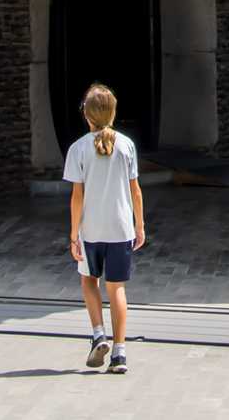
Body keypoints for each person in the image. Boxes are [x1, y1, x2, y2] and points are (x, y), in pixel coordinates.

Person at [67, 84, 145, 376]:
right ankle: (120, 352)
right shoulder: (126, 145)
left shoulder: (78, 149)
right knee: (117, 290)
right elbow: (135, 190)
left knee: (89, 281)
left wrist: (74, 234)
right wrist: (140, 224)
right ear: (113, 112)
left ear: (87, 115)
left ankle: (98, 334)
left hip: (91, 230)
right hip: (120, 228)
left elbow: (77, 196)